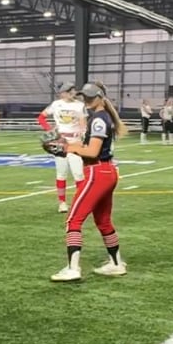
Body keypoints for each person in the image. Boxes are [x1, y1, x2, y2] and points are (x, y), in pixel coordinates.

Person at [51, 82, 126, 281]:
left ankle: (73, 268)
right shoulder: (102, 116)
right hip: (105, 171)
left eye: (91, 97)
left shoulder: (98, 119)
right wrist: (71, 145)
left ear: (101, 97)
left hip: (97, 171)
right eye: (85, 97)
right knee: (103, 221)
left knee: (73, 219)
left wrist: (68, 148)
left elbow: (92, 152)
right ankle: (116, 263)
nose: (87, 100)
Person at [38, 82, 87, 213]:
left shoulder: (80, 105)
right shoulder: (56, 104)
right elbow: (41, 118)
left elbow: (83, 124)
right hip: (60, 142)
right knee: (61, 173)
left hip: (75, 141)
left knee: (78, 174)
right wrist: (50, 130)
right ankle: (62, 203)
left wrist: (83, 137)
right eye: (69, 90)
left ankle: (81, 202)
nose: (72, 92)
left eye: (72, 90)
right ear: (63, 93)